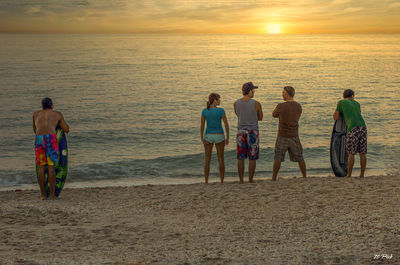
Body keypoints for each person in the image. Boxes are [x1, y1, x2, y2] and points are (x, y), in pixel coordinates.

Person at [33, 97, 69, 200]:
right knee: (51, 166)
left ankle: (43, 195)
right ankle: (52, 195)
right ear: (52, 106)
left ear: (42, 106)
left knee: (41, 167)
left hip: (39, 139)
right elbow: (66, 130)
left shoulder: (35, 114)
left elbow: (35, 130)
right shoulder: (57, 114)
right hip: (51, 139)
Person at [272, 86, 306, 181]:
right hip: (294, 135)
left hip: (282, 135)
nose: (282, 94)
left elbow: (274, 114)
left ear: (287, 94)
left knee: (278, 157)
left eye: (283, 93)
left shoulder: (281, 106)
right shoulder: (298, 106)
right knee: (300, 157)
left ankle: (274, 178)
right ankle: (304, 176)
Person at [234, 82, 263, 183]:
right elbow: (260, 118)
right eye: (253, 90)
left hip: (241, 131)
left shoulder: (236, 103)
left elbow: (238, 114)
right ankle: (250, 179)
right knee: (252, 157)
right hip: (252, 131)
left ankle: (241, 180)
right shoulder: (256, 103)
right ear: (249, 91)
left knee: (240, 157)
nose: (254, 92)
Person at [333, 89, 367, 178]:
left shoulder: (341, 102)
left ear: (343, 96)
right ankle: (362, 175)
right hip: (363, 127)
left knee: (351, 153)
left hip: (352, 128)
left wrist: (339, 114)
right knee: (362, 153)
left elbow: (336, 117)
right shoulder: (357, 103)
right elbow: (357, 114)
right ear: (352, 96)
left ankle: (349, 175)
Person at [200, 93, 229, 184]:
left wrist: (202, 137)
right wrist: (227, 136)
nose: (220, 101)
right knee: (220, 158)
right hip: (219, 135)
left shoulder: (204, 111)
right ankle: (221, 180)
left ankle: (206, 181)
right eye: (219, 99)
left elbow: (202, 126)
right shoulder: (221, 111)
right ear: (215, 100)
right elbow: (226, 124)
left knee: (207, 159)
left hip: (209, 136)